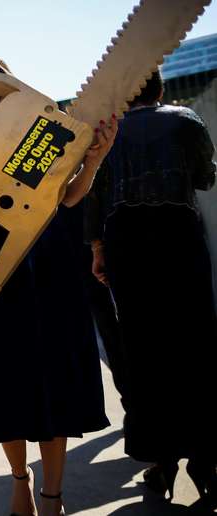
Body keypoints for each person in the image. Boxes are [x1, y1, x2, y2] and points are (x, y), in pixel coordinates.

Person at [0, 54, 116, 516]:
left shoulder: (43, 125)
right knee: (6, 385)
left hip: (49, 266)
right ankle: (21, 478)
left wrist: (92, 161)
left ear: (5, 80)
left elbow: (69, 195)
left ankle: (53, 495)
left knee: (53, 380)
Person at [85, 70, 217, 504]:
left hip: (128, 250)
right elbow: (205, 177)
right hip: (180, 241)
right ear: (160, 89)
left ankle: (162, 461)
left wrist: (99, 250)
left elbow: (94, 199)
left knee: (143, 353)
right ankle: (206, 461)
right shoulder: (185, 120)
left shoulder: (108, 135)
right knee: (195, 349)